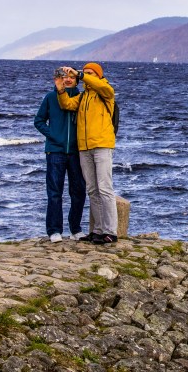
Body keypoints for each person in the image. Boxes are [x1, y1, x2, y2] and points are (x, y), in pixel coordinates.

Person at [57, 62, 118, 244]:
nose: (86, 75)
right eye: (85, 72)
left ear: (98, 75)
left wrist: (81, 75)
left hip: (101, 145)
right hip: (85, 148)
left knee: (105, 188)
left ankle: (110, 231)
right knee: (92, 189)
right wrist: (60, 90)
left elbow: (102, 87)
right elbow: (67, 104)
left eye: (90, 73)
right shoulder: (83, 97)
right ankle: (97, 230)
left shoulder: (105, 92)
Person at [34, 67, 87, 243]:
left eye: (72, 76)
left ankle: (76, 229)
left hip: (76, 151)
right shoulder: (50, 98)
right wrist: (53, 135)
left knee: (78, 191)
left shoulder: (82, 99)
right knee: (55, 192)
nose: (68, 79)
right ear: (60, 79)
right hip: (55, 151)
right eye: (65, 76)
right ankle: (54, 230)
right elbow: (39, 121)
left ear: (77, 80)